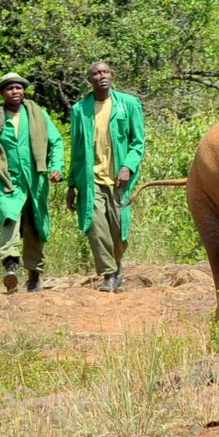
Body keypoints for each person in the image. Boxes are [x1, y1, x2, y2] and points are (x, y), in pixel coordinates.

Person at [0, 73, 65, 293]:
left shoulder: (38, 115)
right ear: (2, 93)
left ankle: (34, 276)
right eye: (9, 88)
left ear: (24, 91)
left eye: (18, 88)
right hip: (7, 181)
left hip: (36, 180)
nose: (15, 92)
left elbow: (56, 142)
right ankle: (10, 266)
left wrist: (56, 167)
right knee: (9, 218)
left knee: (36, 226)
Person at [67, 61, 145, 293]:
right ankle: (109, 275)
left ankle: (117, 264)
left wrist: (127, 167)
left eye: (105, 72)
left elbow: (138, 142)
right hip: (91, 181)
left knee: (119, 231)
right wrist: (72, 184)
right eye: (95, 73)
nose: (101, 76)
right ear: (89, 79)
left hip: (120, 181)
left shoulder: (128, 104)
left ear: (112, 75)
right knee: (95, 226)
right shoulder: (80, 109)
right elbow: (77, 149)